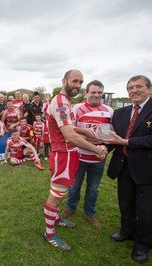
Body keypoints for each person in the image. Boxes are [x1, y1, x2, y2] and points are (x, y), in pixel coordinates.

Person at [104, 75, 152, 264]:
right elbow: (115, 138)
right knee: (126, 204)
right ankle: (126, 232)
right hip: (125, 166)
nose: (134, 90)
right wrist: (103, 149)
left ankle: (142, 245)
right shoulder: (121, 113)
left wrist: (125, 142)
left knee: (146, 211)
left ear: (150, 89)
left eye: (139, 87)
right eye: (130, 88)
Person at [43, 70, 107, 251]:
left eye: (81, 82)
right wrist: (97, 150)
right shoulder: (61, 102)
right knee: (55, 196)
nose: (78, 85)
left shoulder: (66, 101)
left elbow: (69, 127)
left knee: (60, 193)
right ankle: (49, 234)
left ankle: (56, 219)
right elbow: (70, 136)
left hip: (68, 154)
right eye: (74, 81)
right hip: (63, 155)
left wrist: (86, 131)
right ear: (64, 81)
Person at [61, 80, 113, 229]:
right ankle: (71, 207)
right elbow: (71, 131)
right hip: (79, 155)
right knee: (74, 186)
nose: (96, 95)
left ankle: (90, 213)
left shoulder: (109, 111)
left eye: (99, 92)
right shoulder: (77, 108)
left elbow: (111, 135)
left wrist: (104, 149)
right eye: (93, 92)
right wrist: (90, 140)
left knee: (93, 188)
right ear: (86, 93)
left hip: (98, 159)